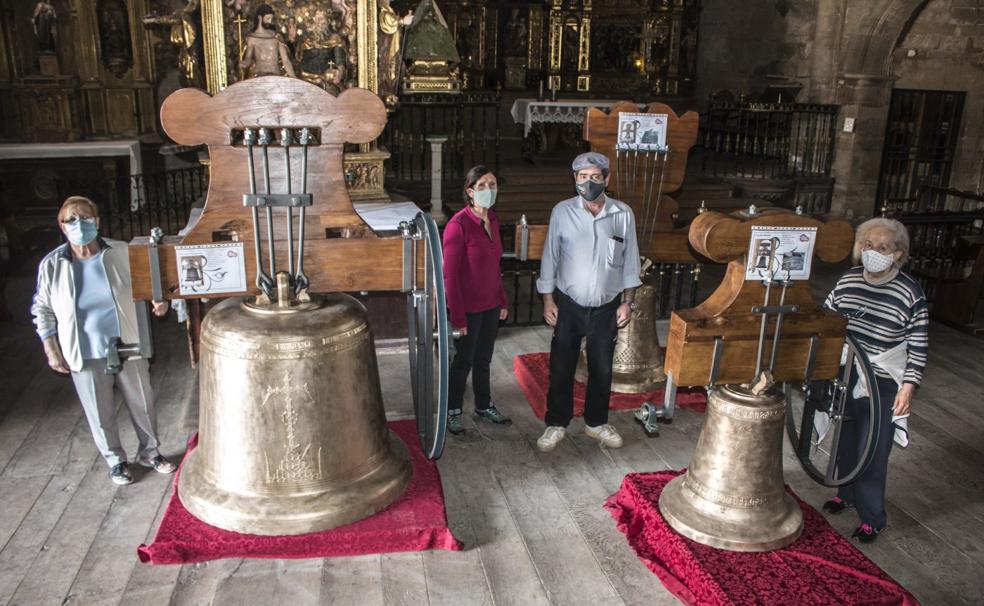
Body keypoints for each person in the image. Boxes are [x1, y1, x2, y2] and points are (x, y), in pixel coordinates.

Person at [31, 196, 176, 485]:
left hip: (128, 342)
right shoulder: (53, 265)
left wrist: (159, 301)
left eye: (85, 217)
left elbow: (148, 282)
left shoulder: (121, 252)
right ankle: (116, 461)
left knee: (142, 401)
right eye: (72, 219)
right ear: (62, 226)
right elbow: (42, 309)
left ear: (97, 222)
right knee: (99, 410)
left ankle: (150, 452)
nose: (79, 224)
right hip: (83, 348)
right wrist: (51, 348)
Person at [821, 217, 929, 543]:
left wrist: (908, 387)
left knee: (873, 448)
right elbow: (827, 316)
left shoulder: (910, 293)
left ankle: (872, 516)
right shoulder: (849, 279)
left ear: (898, 254)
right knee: (847, 435)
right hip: (848, 368)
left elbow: (919, 346)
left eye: (882, 247)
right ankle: (846, 492)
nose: (873, 252)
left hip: (882, 377)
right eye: (868, 245)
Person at [535, 152, 642, 452]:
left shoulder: (622, 214)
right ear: (574, 179)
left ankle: (596, 423)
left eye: (595, 177)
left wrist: (628, 302)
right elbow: (550, 258)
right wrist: (547, 299)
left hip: (607, 306)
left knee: (602, 368)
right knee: (561, 366)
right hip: (569, 304)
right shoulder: (562, 212)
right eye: (582, 177)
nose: (588, 182)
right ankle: (556, 423)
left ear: (607, 179)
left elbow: (630, 262)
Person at [442, 166, 512, 435]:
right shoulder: (458, 226)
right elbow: (450, 277)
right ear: (470, 191)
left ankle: (484, 406)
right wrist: (458, 317)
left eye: (492, 185)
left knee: (484, 359)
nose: (488, 190)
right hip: (468, 309)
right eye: (482, 186)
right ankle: (453, 410)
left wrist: (502, 299)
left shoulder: (492, 219)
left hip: (491, 305)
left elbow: (495, 265)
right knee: (463, 361)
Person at [242, 3, 296, 78]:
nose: (270, 21)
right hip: (259, 78)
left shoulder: (276, 36)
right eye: (268, 18)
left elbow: (286, 60)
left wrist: (294, 78)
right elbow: (248, 58)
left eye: (271, 19)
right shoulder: (252, 38)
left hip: (275, 77)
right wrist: (243, 63)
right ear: (260, 17)